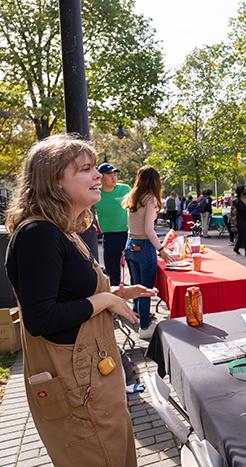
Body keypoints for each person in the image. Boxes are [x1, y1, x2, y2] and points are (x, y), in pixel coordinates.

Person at [4, 134, 157, 466]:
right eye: (86, 169)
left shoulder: (63, 231)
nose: (98, 176)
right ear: (55, 180)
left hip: (92, 380)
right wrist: (105, 301)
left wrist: (117, 294)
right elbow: (41, 317)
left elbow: (67, 295)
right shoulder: (38, 235)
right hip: (76, 390)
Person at [123, 166, 175, 339]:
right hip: (144, 246)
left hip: (130, 244)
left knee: (137, 287)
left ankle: (139, 317)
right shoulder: (150, 199)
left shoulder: (133, 197)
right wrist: (161, 250)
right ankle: (145, 327)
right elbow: (149, 229)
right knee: (145, 289)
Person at [93, 162, 131, 287]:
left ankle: (137, 299)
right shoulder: (95, 193)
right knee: (112, 270)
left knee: (132, 266)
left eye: (115, 174)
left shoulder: (125, 189)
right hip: (109, 236)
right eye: (109, 174)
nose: (114, 177)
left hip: (128, 234)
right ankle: (114, 299)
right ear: (100, 176)